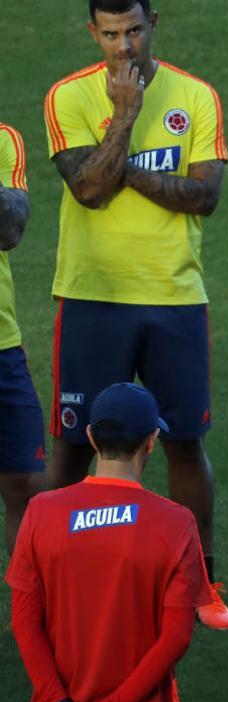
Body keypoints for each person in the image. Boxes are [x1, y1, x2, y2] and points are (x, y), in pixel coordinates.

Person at [42, 0, 228, 623]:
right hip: (92, 294)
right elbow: (90, 192)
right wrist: (125, 116)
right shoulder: (67, 97)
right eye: (111, 34)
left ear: (156, 25)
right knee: (75, 443)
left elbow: (203, 196)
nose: (124, 48)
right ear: (92, 33)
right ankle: (58, 572)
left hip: (174, 296)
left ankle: (202, 580)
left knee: (184, 440)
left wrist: (115, 162)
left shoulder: (196, 96)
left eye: (134, 32)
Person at [7, 383, 214, 702]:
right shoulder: (176, 522)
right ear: (151, 441)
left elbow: (24, 621)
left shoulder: (41, 511)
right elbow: (176, 636)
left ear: (90, 437)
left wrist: (56, 697)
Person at [0, 121, 45, 555]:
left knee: (26, 481)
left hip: (2, 346)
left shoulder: (4, 139)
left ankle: (27, 616)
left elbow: (10, 232)